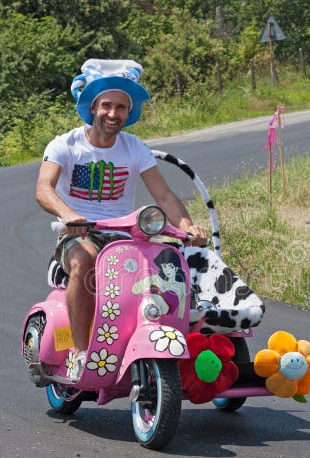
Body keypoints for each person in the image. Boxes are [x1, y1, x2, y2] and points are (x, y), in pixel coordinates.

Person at [35, 59, 208, 379]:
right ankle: (79, 351)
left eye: (121, 107)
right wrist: (69, 215)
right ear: (92, 107)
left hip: (125, 236)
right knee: (84, 261)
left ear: (130, 113)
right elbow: (43, 189)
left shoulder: (134, 148)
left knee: (166, 269)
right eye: (106, 105)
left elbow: (165, 196)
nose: (113, 114)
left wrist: (187, 226)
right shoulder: (65, 144)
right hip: (77, 234)